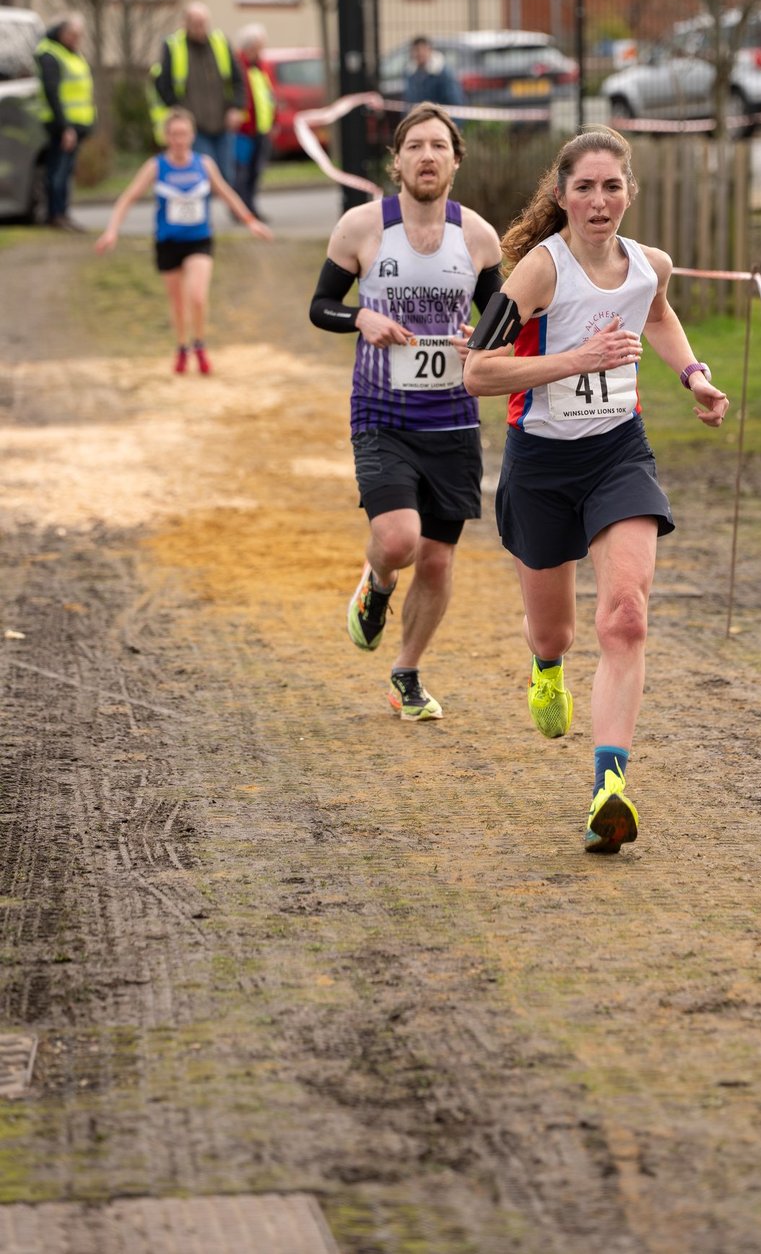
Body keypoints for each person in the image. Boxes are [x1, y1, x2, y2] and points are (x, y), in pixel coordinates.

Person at [463, 127, 729, 855]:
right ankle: (546, 668)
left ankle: (608, 789)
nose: (599, 200)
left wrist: (693, 377)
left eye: (612, 186)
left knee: (626, 618)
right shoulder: (537, 273)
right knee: (555, 632)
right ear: (562, 195)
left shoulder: (649, 265)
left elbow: (657, 313)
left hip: (618, 454)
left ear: (629, 193)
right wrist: (575, 358)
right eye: (584, 187)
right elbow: (478, 372)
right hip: (541, 466)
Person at [309, 102, 501, 721]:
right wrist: (360, 317)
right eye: (415, 146)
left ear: (455, 160)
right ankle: (378, 581)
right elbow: (320, 305)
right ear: (397, 161)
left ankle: (406, 672)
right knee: (398, 541)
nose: (427, 156)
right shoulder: (362, 228)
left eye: (439, 146)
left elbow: (503, 323)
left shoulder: (478, 237)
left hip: (453, 421)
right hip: (382, 415)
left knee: (438, 559)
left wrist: (482, 341)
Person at [94, 107, 272, 374]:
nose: (179, 139)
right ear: (166, 136)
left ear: (192, 135)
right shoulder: (156, 166)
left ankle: (199, 344)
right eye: (174, 134)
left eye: (184, 133)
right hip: (168, 242)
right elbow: (128, 197)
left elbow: (226, 193)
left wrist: (250, 221)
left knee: (197, 297)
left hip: (199, 240)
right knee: (178, 303)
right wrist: (112, 230)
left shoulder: (204, 164)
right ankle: (181, 346)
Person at [148, 2, 244, 181]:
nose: (200, 28)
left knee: (227, 176)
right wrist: (179, 111)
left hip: (222, 123)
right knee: (204, 175)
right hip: (195, 126)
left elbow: (238, 80)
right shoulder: (174, 46)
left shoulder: (220, 43)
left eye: (203, 23)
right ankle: (203, 201)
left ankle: (231, 201)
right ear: (186, 23)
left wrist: (236, 108)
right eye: (196, 24)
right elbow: (162, 83)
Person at [34, 13, 96, 231]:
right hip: (61, 126)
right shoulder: (51, 54)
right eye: (72, 34)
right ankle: (55, 215)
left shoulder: (72, 54)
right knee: (57, 171)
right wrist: (65, 128)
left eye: (79, 35)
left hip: (76, 124)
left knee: (66, 172)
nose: (76, 39)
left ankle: (63, 213)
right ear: (61, 32)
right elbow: (52, 93)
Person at [234, 23, 276, 219]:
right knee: (241, 172)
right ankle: (242, 210)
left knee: (255, 172)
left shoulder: (261, 67)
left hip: (262, 128)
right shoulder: (238, 66)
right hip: (243, 131)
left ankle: (251, 207)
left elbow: (269, 97)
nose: (261, 50)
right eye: (259, 46)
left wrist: (274, 121)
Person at [403, 36, 464, 112]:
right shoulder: (410, 73)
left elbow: (455, 102)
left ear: (430, 50)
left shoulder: (443, 73)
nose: (420, 53)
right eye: (416, 50)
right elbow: (409, 102)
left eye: (423, 49)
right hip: (418, 118)